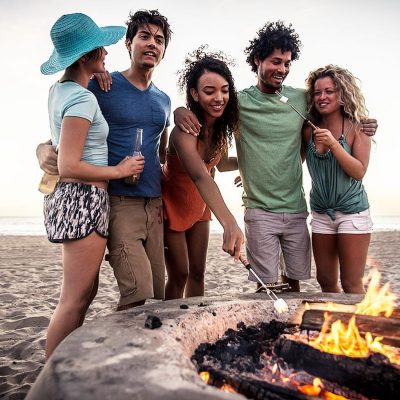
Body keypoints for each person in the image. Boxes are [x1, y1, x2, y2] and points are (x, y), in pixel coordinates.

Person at [175, 21, 378, 293]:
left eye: (286, 63)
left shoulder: (302, 99)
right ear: (258, 59)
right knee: (266, 287)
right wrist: (179, 110)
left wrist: (365, 123)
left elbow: (332, 107)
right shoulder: (238, 102)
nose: (281, 69)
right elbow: (209, 112)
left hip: (296, 207)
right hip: (258, 209)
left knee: (295, 285)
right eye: (275, 61)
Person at [37, 10, 172, 311]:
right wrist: (42, 149)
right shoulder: (100, 84)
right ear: (128, 43)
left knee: (158, 296)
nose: (153, 44)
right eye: (144, 36)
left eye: (160, 40)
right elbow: (63, 124)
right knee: (138, 293)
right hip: (118, 201)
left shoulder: (164, 99)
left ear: (164, 50)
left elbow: (161, 151)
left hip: (154, 205)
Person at [39, 13, 143, 359]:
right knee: (73, 299)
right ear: (85, 57)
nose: (107, 55)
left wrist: (91, 69)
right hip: (83, 197)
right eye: (100, 51)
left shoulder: (62, 90)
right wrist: (120, 169)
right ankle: (51, 377)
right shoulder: (83, 100)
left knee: (84, 294)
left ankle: (65, 364)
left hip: (75, 198)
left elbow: (60, 150)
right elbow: (69, 165)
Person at [162, 48, 244, 299]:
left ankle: (194, 319)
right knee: (180, 274)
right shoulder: (183, 130)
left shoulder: (220, 130)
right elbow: (199, 175)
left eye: (224, 90)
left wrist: (251, 165)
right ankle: (169, 323)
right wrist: (229, 222)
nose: (219, 97)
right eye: (209, 91)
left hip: (201, 205)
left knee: (198, 272)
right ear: (194, 94)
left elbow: (220, 165)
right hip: (172, 204)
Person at [303, 65, 372, 294]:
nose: (322, 97)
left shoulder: (358, 127)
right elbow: (290, 160)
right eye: (317, 92)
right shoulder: (307, 130)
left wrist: (334, 144)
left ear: (342, 94)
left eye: (329, 91)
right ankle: (335, 328)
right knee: (326, 281)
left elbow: (359, 171)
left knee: (351, 283)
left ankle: (360, 328)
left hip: (352, 212)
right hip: (321, 213)